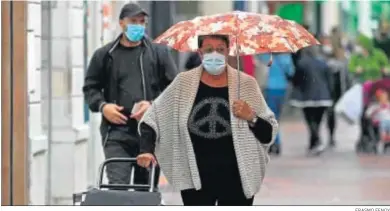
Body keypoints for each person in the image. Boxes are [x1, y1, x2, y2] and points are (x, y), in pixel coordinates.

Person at [136, 34, 278, 206]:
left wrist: (251, 117)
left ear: (228, 52)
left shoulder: (246, 85)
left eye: (220, 49)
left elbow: (268, 134)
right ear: (200, 53)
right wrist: (146, 149)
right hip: (195, 178)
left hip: (238, 178)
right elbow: (153, 118)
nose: (215, 54)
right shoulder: (183, 83)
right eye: (209, 49)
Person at [83, 2, 178, 190]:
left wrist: (153, 104)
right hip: (116, 132)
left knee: (147, 190)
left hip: (149, 133)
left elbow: (175, 90)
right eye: (133, 21)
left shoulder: (158, 53)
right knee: (118, 187)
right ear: (121, 23)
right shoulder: (104, 55)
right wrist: (103, 106)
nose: (138, 26)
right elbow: (90, 89)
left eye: (142, 22)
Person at [290, 46, 334, 155]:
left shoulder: (302, 64)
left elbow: (297, 80)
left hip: (307, 97)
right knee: (318, 121)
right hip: (323, 97)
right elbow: (329, 80)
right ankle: (313, 143)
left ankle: (317, 141)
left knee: (310, 121)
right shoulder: (323, 63)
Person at [256, 53, 295, 155]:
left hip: (270, 89)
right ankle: (276, 143)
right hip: (283, 88)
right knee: (276, 117)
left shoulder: (266, 56)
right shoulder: (286, 57)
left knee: (271, 117)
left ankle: (275, 143)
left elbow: (260, 64)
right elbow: (291, 72)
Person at [326, 48, 352, 147]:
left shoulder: (343, 65)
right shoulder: (329, 65)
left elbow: (347, 79)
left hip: (337, 93)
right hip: (331, 94)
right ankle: (331, 137)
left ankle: (331, 137)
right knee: (331, 116)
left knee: (332, 116)